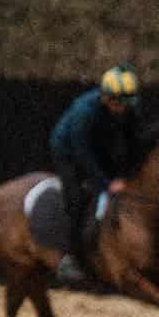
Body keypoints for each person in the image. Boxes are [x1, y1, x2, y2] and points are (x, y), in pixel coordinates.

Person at [48, 64, 146, 283]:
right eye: (119, 104)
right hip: (69, 150)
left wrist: (127, 173)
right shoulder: (84, 112)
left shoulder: (127, 107)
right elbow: (82, 154)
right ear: (106, 98)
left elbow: (134, 140)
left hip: (98, 145)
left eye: (127, 104)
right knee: (75, 198)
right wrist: (105, 183)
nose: (124, 109)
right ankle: (69, 258)